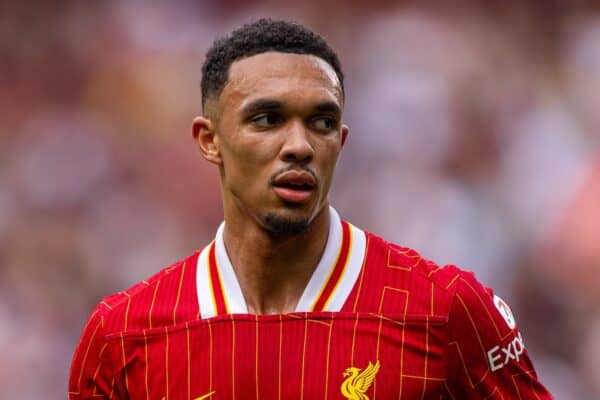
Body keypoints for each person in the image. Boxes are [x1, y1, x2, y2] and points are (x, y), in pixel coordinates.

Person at [69, 18, 553, 399]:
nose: (299, 145)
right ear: (209, 140)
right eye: (268, 119)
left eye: (322, 122)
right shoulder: (123, 336)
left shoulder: (445, 309)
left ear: (340, 142)